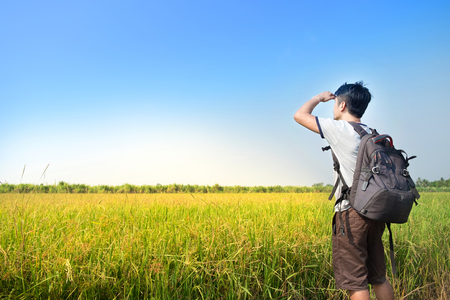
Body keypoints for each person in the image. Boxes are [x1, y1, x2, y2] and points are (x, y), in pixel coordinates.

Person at [293, 82, 395, 300]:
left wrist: (319, 98)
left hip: (351, 214)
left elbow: (300, 115)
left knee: (355, 283)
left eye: (334, 103)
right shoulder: (371, 132)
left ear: (342, 105)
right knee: (378, 278)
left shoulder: (341, 130)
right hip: (376, 213)